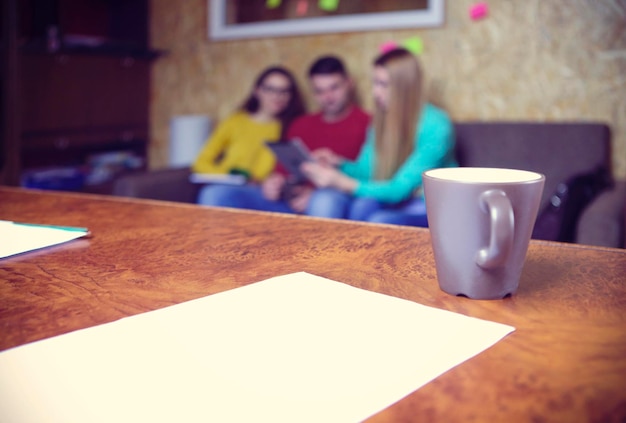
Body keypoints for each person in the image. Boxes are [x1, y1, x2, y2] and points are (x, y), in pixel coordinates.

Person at [301, 48, 457, 226]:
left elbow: (399, 189)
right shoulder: (382, 121)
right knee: (362, 206)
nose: (375, 93)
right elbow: (368, 172)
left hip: (429, 206)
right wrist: (338, 164)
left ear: (404, 86)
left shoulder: (437, 125)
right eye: (375, 83)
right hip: (397, 201)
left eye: (383, 84)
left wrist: (341, 182)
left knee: (380, 220)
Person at [197, 55, 370, 212]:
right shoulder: (301, 124)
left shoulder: (368, 123)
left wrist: (314, 192)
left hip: (332, 194)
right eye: (319, 91)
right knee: (216, 194)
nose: (328, 96)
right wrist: (274, 183)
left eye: (334, 88)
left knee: (323, 201)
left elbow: (370, 176)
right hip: (289, 199)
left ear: (349, 83)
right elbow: (281, 170)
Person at [192, 66, 305, 183]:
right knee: (213, 193)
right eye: (270, 89)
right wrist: (230, 177)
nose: (277, 96)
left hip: (265, 192)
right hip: (228, 184)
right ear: (257, 91)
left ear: (291, 96)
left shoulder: (293, 127)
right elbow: (201, 162)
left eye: (284, 91)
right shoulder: (235, 121)